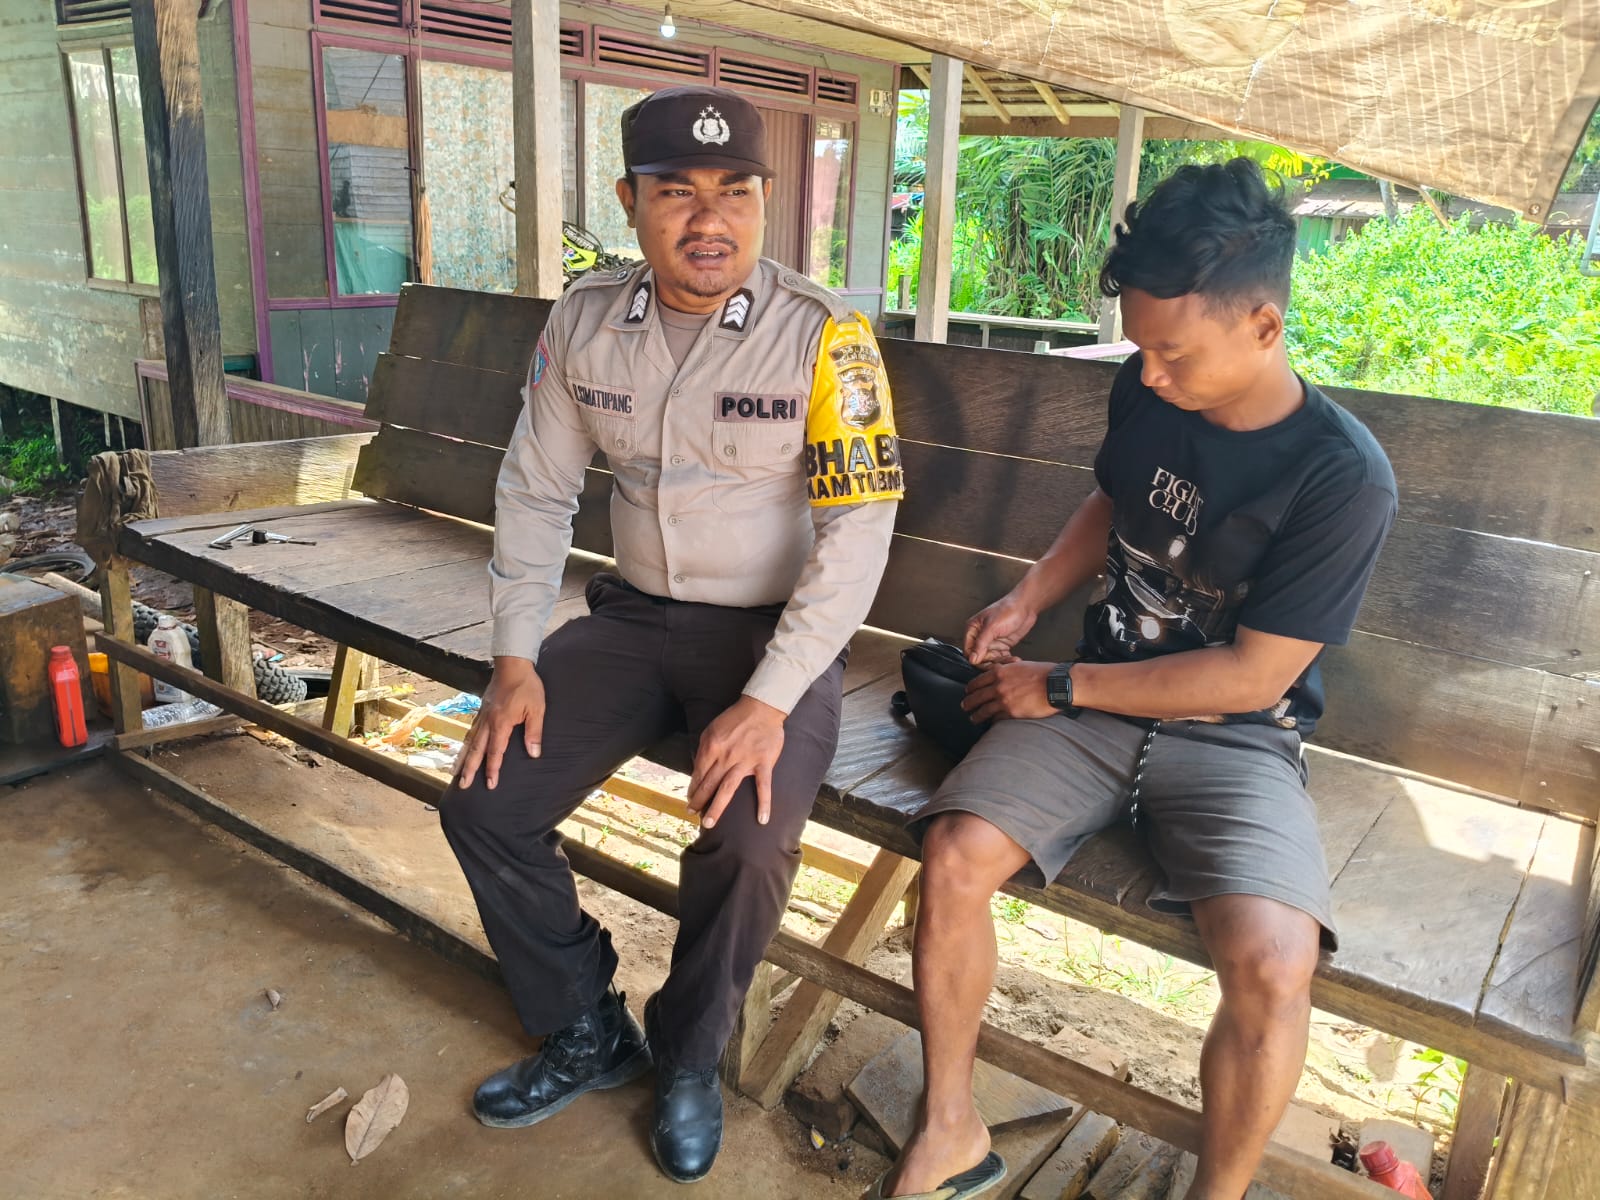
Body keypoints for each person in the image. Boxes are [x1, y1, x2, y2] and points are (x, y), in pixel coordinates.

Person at [875, 158, 1397, 1200]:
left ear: (1263, 326)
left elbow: (1251, 677)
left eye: (1173, 353)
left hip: (1235, 736)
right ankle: (951, 1129)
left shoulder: (1341, 476)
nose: (1150, 375)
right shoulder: (1146, 390)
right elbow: (1114, 503)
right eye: (1139, 348)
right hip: (1087, 706)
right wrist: (1027, 600)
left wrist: (1059, 685)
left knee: (1274, 964)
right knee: (955, 858)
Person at [439, 85, 903, 1183]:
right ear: (629, 201)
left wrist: (770, 700)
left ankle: (690, 1057)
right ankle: (586, 1026)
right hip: (634, 619)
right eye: (677, 193)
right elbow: (536, 490)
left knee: (749, 837)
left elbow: (858, 532)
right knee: (484, 799)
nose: (710, 220)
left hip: (770, 643)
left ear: (765, 202)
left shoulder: (824, 336)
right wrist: (514, 658)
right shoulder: (586, 320)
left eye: (734, 192)